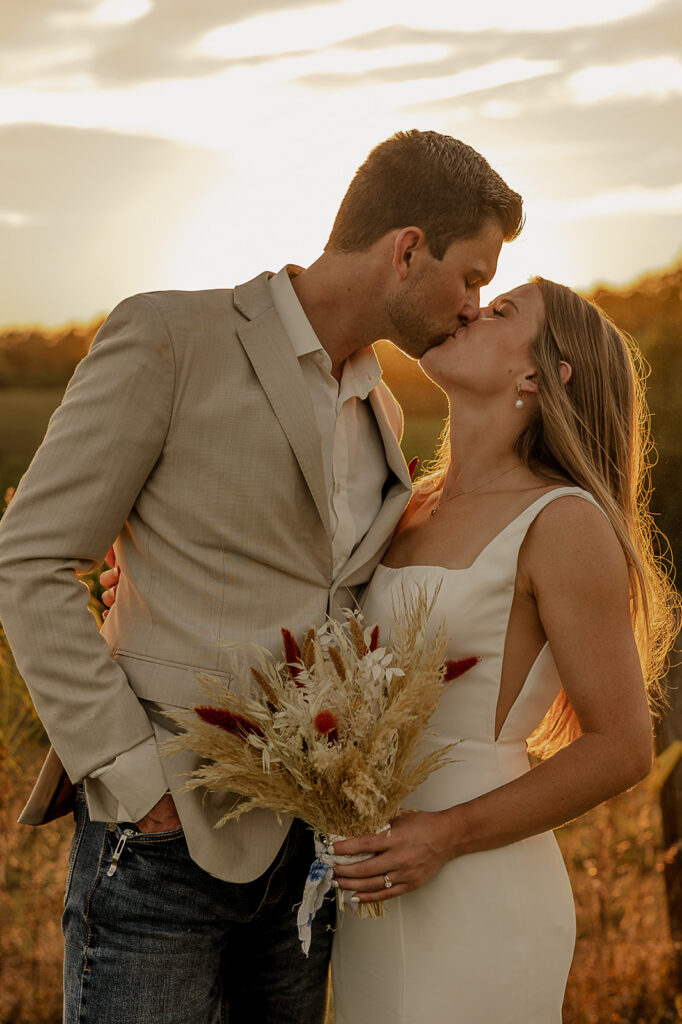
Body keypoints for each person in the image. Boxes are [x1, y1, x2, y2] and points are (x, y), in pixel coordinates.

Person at [0, 130, 523, 1024]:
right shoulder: (172, 335)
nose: (476, 305)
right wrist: (135, 782)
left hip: (306, 870)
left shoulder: (383, 408)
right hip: (163, 846)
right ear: (406, 250)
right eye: (471, 276)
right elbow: (32, 557)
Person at [328, 278, 678, 1022]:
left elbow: (623, 746)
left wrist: (446, 836)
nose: (467, 311)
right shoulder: (403, 506)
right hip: (373, 887)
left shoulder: (563, 522)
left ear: (538, 376)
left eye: (499, 312)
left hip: (477, 886)